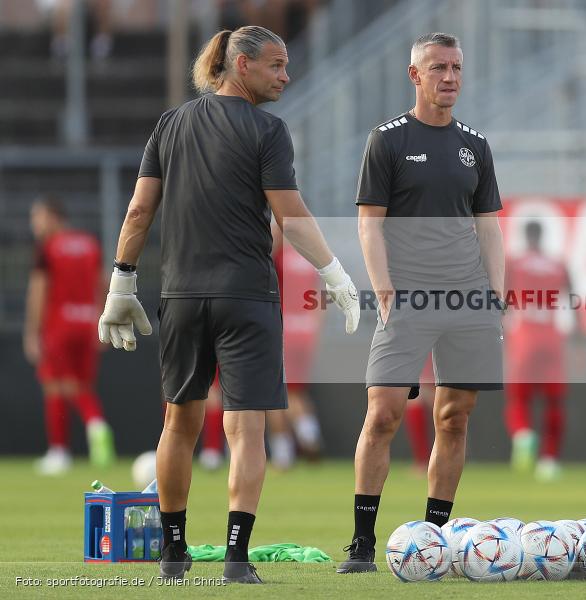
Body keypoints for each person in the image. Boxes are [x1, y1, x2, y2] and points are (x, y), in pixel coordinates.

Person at [97, 26, 359, 583]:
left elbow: (139, 212)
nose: (286, 76)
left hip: (182, 296)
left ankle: (173, 555)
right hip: (246, 296)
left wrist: (120, 282)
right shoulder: (268, 129)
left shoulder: (169, 124)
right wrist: (334, 271)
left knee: (178, 424)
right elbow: (289, 213)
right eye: (276, 65)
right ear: (241, 65)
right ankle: (236, 561)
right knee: (246, 430)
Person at [338, 32, 504, 573]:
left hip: (467, 299)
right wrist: (384, 288)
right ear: (415, 75)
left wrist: (496, 295)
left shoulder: (474, 144)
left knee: (454, 418)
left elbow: (488, 228)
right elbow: (369, 224)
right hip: (407, 297)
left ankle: (435, 539)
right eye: (438, 67)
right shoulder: (386, 140)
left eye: (456, 66)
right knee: (383, 413)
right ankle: (362, 543)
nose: (449, 77)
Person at [25, 196, 116, 475]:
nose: (34, 225)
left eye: (38, 217)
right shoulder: (90, 244)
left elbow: (39, 289)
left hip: (58, 325)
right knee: (81, 385)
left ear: (53, 217)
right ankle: (95, 422)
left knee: (54, 384)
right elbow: (102, 282)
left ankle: (62, 448)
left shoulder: (48, 248)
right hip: (88, 322)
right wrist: (102, 320)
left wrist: (32, 331)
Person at [504, 221, 578, 482]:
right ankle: (549, 461)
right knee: (554, 402)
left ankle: (523, 433)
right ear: (542, 235)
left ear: (525, 236)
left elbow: (500, 300)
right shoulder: (558, 264)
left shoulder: (514, 263)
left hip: (524, 335)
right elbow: (573, 299)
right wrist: (579, 336)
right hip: (551, 336)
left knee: (519, 399)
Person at [268, 231, 325, 469]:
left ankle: (284, 455)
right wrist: (314, 330)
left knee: (272, 394)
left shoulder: (278, 257)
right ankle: (309, 434)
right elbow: (321, 298)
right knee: (296, 392)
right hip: (305, 334)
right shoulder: (310, 260)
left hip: (280, 332)